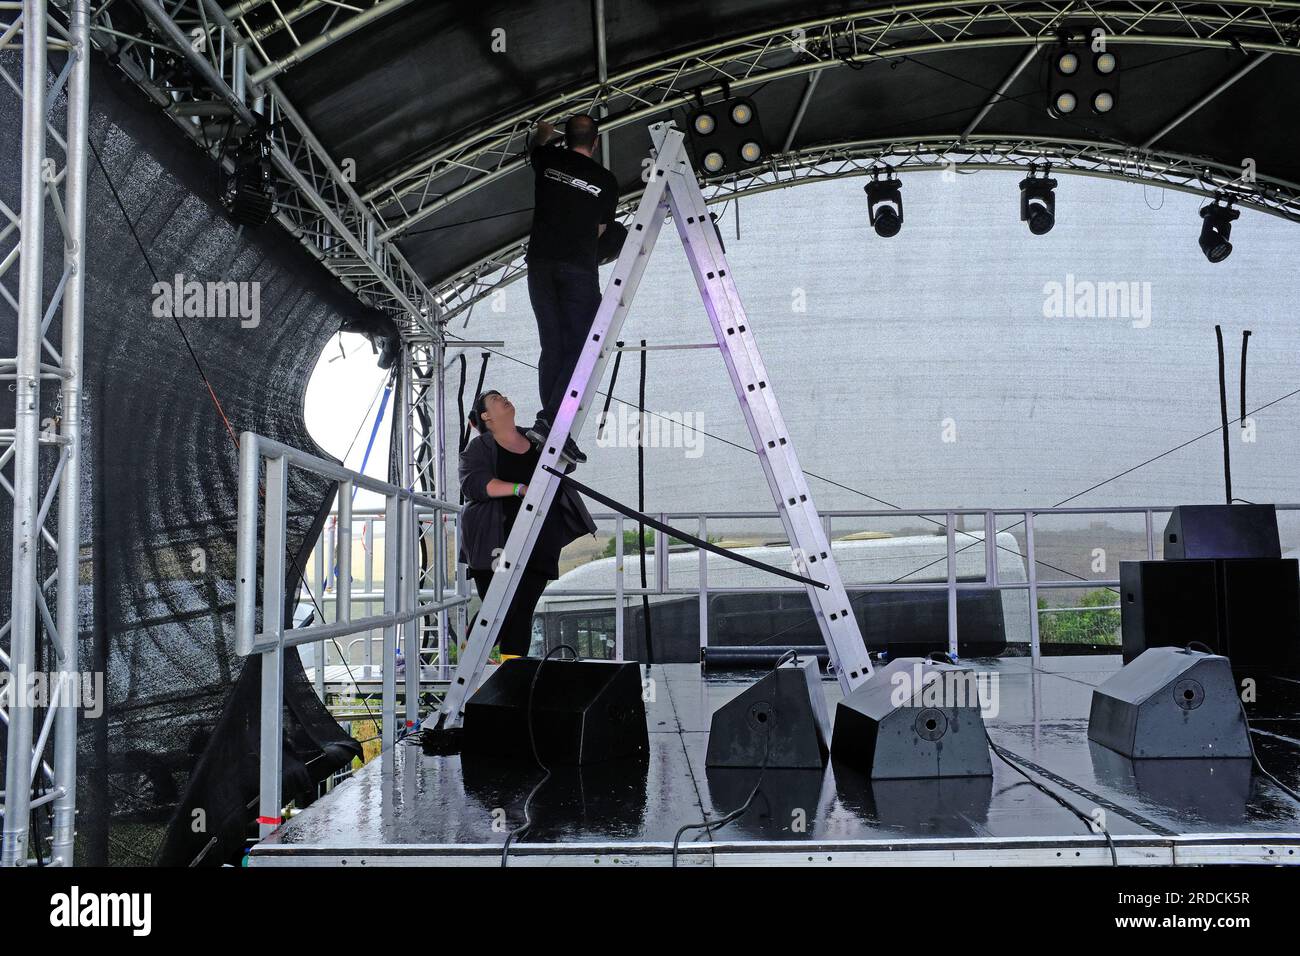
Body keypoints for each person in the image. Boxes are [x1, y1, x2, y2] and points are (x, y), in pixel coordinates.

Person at [458, 389, 597, 658]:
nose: (504, 399)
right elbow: (473, 484)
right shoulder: (479, 448)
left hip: (540, 540)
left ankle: (511, 675)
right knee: (500, 610)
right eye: (496, 398)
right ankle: (471, 656)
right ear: (486, 415)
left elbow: (564, 465)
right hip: (494, 543)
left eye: (503, 396)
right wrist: (520, 489)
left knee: (522, 614)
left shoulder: (536, 438)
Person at [524, 113, 619, 464]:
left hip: (540, 266)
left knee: (553, 346)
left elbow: (535, 147)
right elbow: (599, 230)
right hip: (577, 268)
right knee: (582, 347)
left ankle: (552, 425)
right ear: (594, 142)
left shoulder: (549, 158)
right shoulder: (605, 180)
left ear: (566, 138)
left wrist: (542, 134)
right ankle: (551, 421)